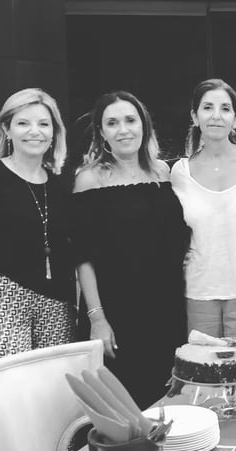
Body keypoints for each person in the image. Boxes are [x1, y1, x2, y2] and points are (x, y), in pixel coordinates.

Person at [71, 91, 188, 407]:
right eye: (112, 123)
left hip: (164, 309)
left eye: (130, 120)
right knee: (124, 409)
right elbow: (83, 256)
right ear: (102, 132)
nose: (123, 129)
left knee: (167, 406)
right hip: (117, 313)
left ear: (144, 126)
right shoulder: (89, 178)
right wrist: (97, 318)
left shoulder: (163, 172)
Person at [0, 88, 75, 364]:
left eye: (43, 124)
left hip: (56, 301)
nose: (34, 131)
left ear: (54, 132)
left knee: (53, 384)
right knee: (10, 384)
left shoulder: (61, 185)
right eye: (23, 123)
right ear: (6, 129)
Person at [171, 79, 236, 339]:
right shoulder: (179, 172)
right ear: (195, 116)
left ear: (235, 119)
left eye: (225, 108)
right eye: (207, 107)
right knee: (202, 361)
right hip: (198, 288)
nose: (216, 115)